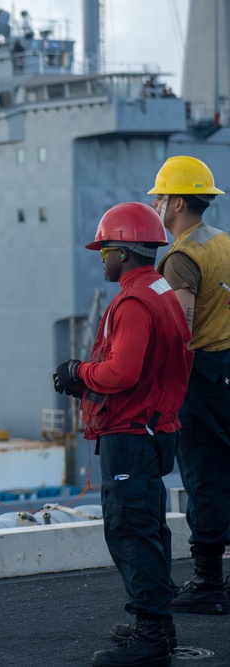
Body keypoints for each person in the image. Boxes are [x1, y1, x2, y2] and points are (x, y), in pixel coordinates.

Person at [54, 202, 192, 667]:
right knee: (149, 529)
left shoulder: (132, 301)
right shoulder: (162, 291)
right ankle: (159, 625)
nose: (102, 260)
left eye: (104, 252)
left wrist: (78, 371)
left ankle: (152, 639)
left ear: (125, 252)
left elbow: (122, 373)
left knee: (129, 530)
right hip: (155, 429)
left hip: (130, 434)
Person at [149, 155, 230, 616]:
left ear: (178, 201)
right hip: (228, 365)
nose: (156, 205)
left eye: (160, 197)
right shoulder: (224, 243)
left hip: (200, 377)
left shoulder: (181, 257)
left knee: (203, 473)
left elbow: (180, 330)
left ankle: (206, 582)